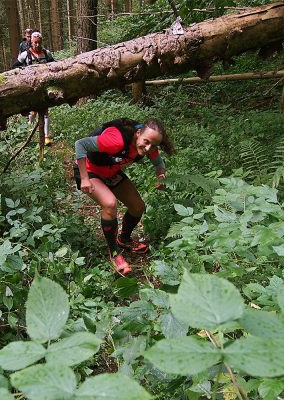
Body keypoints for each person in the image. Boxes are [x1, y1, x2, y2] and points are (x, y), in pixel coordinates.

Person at [74, 118, 174, 275]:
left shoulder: (149, 144)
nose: (148, 148)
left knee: (138, 207)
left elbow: (159, 164)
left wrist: (161, 176)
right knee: (110, 204)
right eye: (146, 142)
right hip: (89, 171)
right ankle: (114, 253)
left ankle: (124, 240)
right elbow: (80, 144)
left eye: (153, 145)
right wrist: (85, 178)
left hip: (111, 172)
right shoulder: (116, 140)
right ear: (138, 133)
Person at [14, 31, 55, 145]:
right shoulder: (25, 55)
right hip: (31, 89)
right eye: (35, 42)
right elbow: (15, 66)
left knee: (45, 112)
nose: (37, 45)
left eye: (39, 42)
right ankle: (30, 129)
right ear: (31, 42)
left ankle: (46, 137)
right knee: (33, 112)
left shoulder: (47, 54)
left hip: (44, 88)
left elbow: (55, 65)